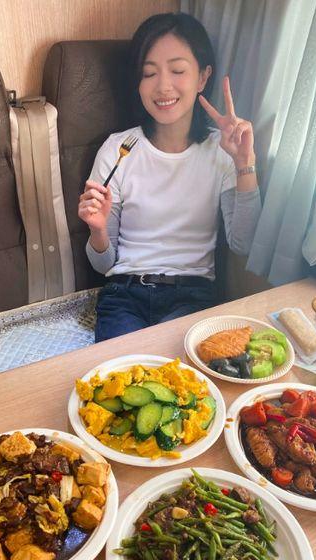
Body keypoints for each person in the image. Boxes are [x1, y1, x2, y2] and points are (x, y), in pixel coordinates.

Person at [78, 12, 261, 342]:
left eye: (177, 71)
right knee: (120, 371)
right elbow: (103, 265)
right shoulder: (118, 149)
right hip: (125, 294)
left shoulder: (222, 151)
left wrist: (244, 164)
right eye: (149, 73)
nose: (163, 86)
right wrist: (98, 230)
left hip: (192, 296)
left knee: (176, 370)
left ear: (202, 77)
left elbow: (242, 242)